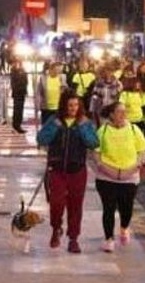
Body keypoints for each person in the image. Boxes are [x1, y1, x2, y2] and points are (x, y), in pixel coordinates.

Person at [36, 93, 99, 253]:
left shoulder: (85, 122)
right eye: (70, 105)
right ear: (64, 105)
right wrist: (54, 126)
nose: (73, 108)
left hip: (77, 170)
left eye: (76, 105)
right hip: (57, 169)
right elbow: (42, 139)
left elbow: (93, 143)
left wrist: (84, 128)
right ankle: (56, 228)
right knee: (56, 203)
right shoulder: (54, 120)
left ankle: (73, 238)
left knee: (75, 205)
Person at [93, 102, 145, 252]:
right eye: (120, 112)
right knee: (108, 208)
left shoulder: (133, 129)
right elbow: (96, 152)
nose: (123, 115)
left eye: (125, 112)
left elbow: (143, 150)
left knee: (127, 207)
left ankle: (124, 227)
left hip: (129, 176)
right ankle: (108, 238)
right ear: (111, 114)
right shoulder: (102, 131)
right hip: (107, 177)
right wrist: (103, 167)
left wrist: (135, 167)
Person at [10, 58, 28, 134]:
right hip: (17, 93)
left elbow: (26, 81)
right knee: (17, 110)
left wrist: (25, 90)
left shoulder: (23, 71)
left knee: (20, 110)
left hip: (22, 93)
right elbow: (14, 83)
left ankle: (18, 125)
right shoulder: (14, 71)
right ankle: (16, 126)